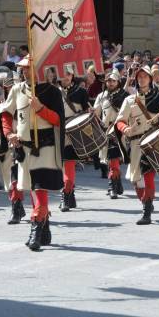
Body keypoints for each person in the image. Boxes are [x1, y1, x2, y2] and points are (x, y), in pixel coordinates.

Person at [0, 56, 65, 251]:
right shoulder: (17, 89)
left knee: (40, 189)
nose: (24, 72)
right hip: (24, 148)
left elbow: (58, 120)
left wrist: (41, 109)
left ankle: (35, 230)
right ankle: (44, 228)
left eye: (28, 68)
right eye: (22, 69)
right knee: (32, 189)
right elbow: (6, 113)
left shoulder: (52, 92)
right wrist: (9, 133)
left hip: (45, 148)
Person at [115, 65, 159, 225]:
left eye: (145, 76)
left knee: (148, 176)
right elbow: (119, 121)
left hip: (153, 142)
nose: (142, 79)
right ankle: (146, 202)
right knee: (136, 181)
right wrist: (126, 129)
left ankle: (147, 211)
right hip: (135, 143)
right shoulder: (129, 100)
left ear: (150, 79)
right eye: (139, 77)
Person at [0, 74, 27, 224]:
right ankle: (17, 206)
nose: (12, 90)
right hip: (6, 149)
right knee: (10, 183)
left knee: (18, 180)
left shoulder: (26, 106)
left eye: (14, 87)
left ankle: (16, 210)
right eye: (9, 88)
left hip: (23, 148)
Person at [93, 69, 129, 199]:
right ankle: (117, 183)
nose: (111, 83)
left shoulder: (125, 95)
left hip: (118, 130)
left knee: (114, 159)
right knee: (109, 159)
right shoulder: (101, 96)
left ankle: (112, 186)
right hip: (105, 130)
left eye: (113, 80)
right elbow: (96, 113)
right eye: (108, 81)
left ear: (118, 81)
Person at [59, 64, 90, 211]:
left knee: (69, 166)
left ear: (72, 76)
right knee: (60, 168)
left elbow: (86, 112)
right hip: (56, 133)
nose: (65, 76)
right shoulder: (52, 91)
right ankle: (69, 194)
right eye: (63, 73)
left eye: (68, 74)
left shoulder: (81, 92)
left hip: (73, 134)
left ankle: (66, 194)